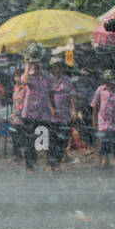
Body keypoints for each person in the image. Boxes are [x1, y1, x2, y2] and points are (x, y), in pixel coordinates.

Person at [18, 46, 51, 174]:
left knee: (44, 141)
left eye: (38, 63)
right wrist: (27, 65)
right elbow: (24, 80)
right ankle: (30, 166)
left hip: (44, 113)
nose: (36, 66)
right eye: (34, 63)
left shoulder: (46, 76)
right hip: (30, 113)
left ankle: (48, 164)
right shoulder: (29, 75)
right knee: (29, 142)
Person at [90, 70, 115, 169]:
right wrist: (94, 119)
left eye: (111, 80)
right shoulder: (100, 90)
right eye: (107, 80)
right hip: (103, 120)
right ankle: (105, 161)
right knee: (104, 141)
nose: (109, 82)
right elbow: (94, 105)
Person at [47, 57, 74, 172]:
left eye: (59, 66)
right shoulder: (48, 80)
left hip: (65, 114)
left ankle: (57, 163)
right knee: (51, 140)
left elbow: (72, 95)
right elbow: (47, 95)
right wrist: (52, 107)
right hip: (51, 115)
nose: (58, 69)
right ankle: (50, 163)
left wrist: (74, 110)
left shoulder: (67, 80)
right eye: (55, 66)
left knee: (62, 141)